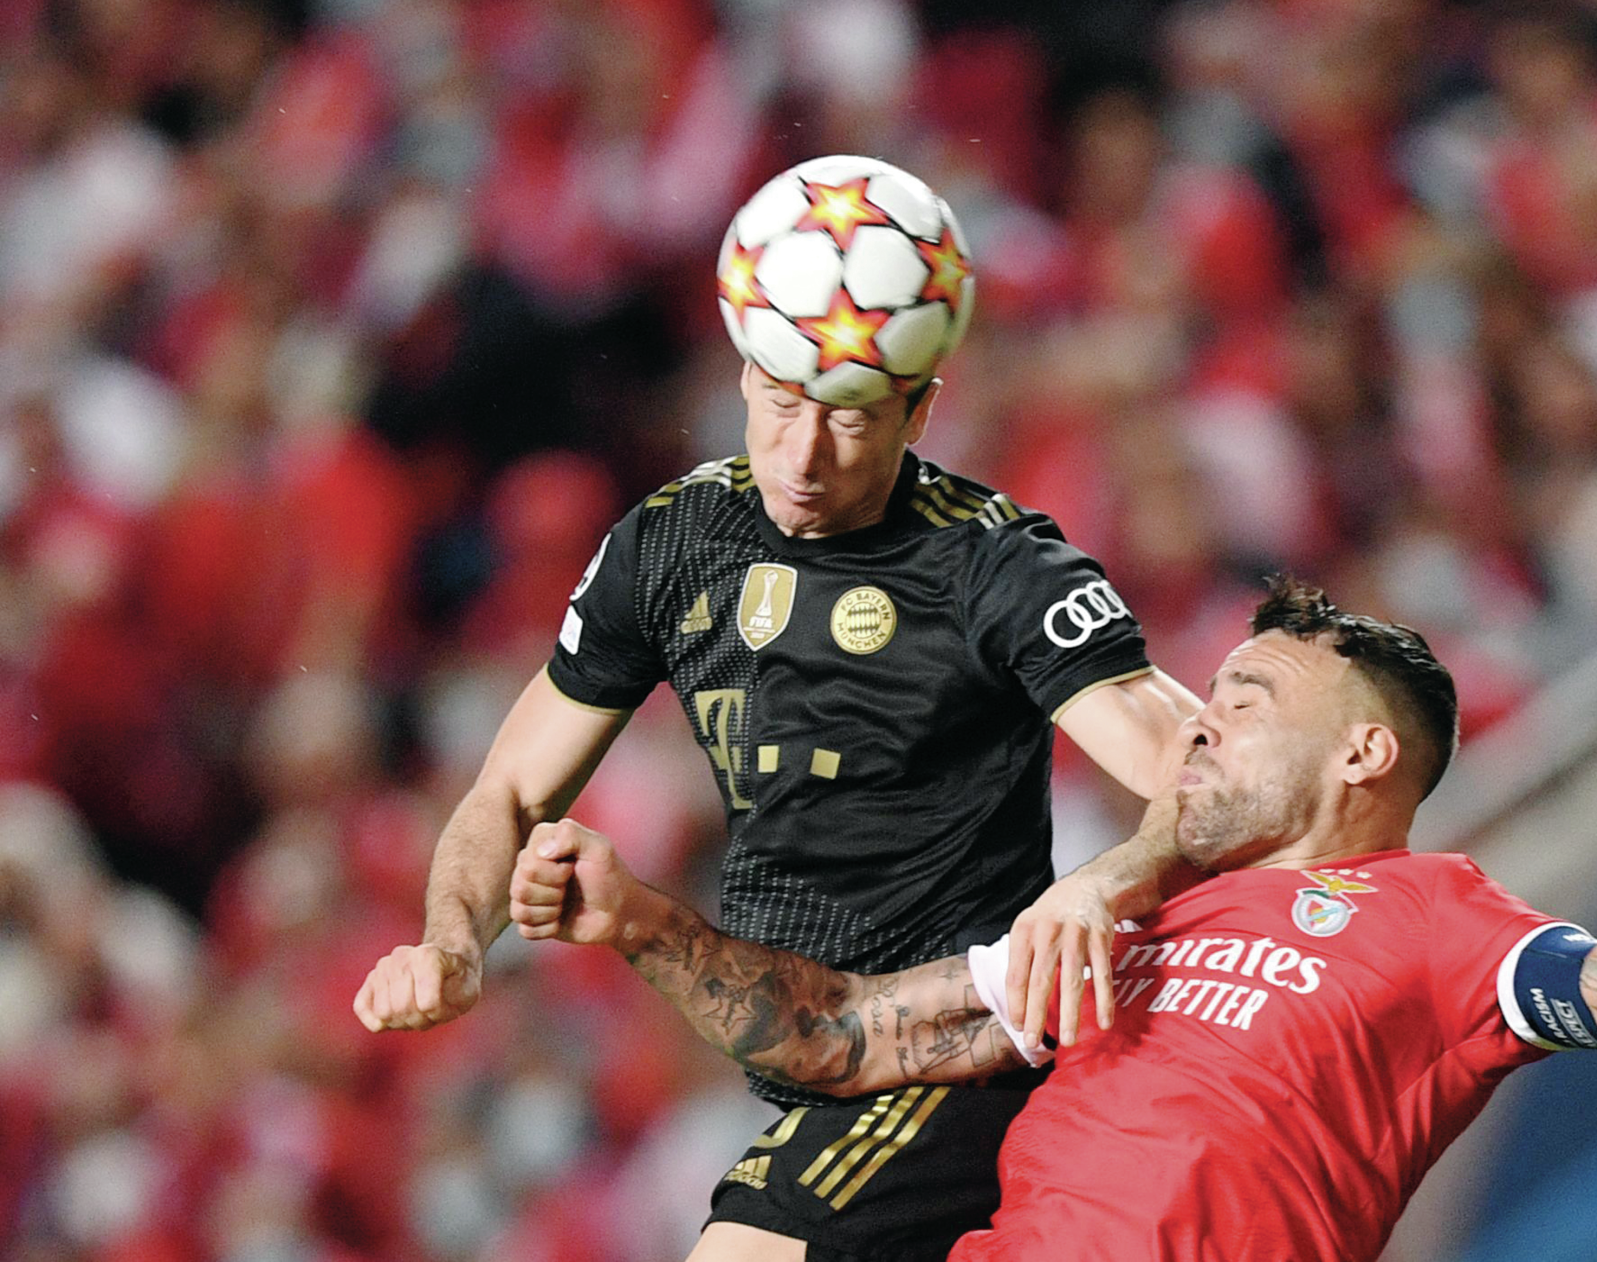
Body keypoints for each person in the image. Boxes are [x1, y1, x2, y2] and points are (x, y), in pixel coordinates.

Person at [352, 161, 1203, 1260]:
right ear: (742, 370)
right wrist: (454, 938)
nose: (803, 456)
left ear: (920, 404)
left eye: (850, 417)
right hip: (808, 1050)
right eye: (782, 398)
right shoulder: (670, 542)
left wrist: (1102, 887)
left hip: (962, 1050)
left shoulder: (995, 566)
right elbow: (510, 786)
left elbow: (1198, 766)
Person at [507, 578, 1597, 1262]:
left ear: (1366, 758)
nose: (1203, 716)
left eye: (1251, 696)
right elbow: (839, 1041)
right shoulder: (1120, 931)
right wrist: (639, 922)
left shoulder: (1440, 917)